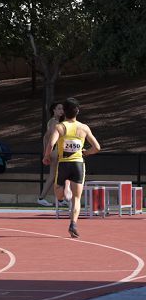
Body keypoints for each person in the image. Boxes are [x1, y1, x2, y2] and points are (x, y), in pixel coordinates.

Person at [43, 98, 100, 238]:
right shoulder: (84, 128)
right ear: (78, 111)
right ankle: (73, 222)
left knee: (58, 194)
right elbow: (97, 147)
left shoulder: (60, 127)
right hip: (78, 165)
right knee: (76, 198)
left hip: (64, 164)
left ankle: (65, 200)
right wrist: (85, 152)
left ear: (64, 112)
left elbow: (51, 143)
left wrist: (46, 156)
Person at [38, 102, 71, 207]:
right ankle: (41, 198)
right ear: (54, 110)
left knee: (59, 176)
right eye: (59, 109)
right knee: (54, 176)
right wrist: (46, 153)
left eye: (62, 109)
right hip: (55, 151)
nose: (62, 111)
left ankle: (60, 200)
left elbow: (45, 137)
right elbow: (48, 137)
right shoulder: (54, 122)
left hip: (55, 151)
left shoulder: (57, 122)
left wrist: (46, 152)